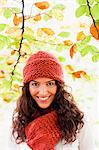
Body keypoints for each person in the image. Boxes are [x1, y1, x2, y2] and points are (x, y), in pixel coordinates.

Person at [11, 50, 95, 150]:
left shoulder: (77, 120)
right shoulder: (18, 122)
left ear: (58, 86)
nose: (43, 92)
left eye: (49, 83)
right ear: (27, 88)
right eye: (35, 84)